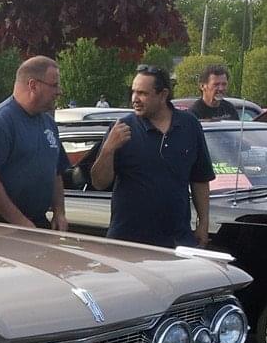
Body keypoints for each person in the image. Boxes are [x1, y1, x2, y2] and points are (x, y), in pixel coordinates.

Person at [90, 65, 214, 248]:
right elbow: (99, 182)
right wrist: (108, 149)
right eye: (133, 92)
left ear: (163, 94)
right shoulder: (122, 128)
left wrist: (203, 223)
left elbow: (200, 179)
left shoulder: (189, 125)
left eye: (142, 93)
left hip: (176, 241)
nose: (135, 99)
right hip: (127, 242)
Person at [0, 55, 70, 230]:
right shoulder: (0, 121)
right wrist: (20, 222)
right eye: (54, 85)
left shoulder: (48, 123)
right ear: (33, 85)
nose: (59, 91)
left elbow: (55, 172)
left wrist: (59, 212)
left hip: (34, 222)